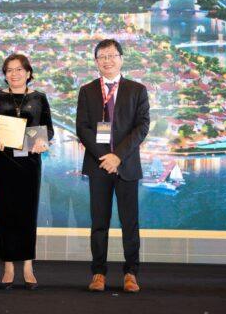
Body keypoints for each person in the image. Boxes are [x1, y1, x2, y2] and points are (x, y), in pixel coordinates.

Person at [76, 39, 150, 293]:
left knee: (130, 223)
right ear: (96, 62)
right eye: (102, 57)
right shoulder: (87, 91)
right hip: (98, 166)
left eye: (111, 55)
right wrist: (105, 158)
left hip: (126, 165)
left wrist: (117, 156)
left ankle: (131, 273)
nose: (107, 61)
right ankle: (98, 273)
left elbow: (142, 127)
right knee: (99, 223)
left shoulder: (137, 89)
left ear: (121, 58)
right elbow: (82, 128)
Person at [0, 54, 54, 290]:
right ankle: (8, 266)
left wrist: (42, 141)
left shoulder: (39, 98)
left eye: (19, 69)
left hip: (29, 163)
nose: (14, 74)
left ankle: (28, 266)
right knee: (4, 213)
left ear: (28, 73)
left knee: (28, 213)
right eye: (9, 70)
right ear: (5, 74)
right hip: (2, 163)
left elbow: (49, 129)